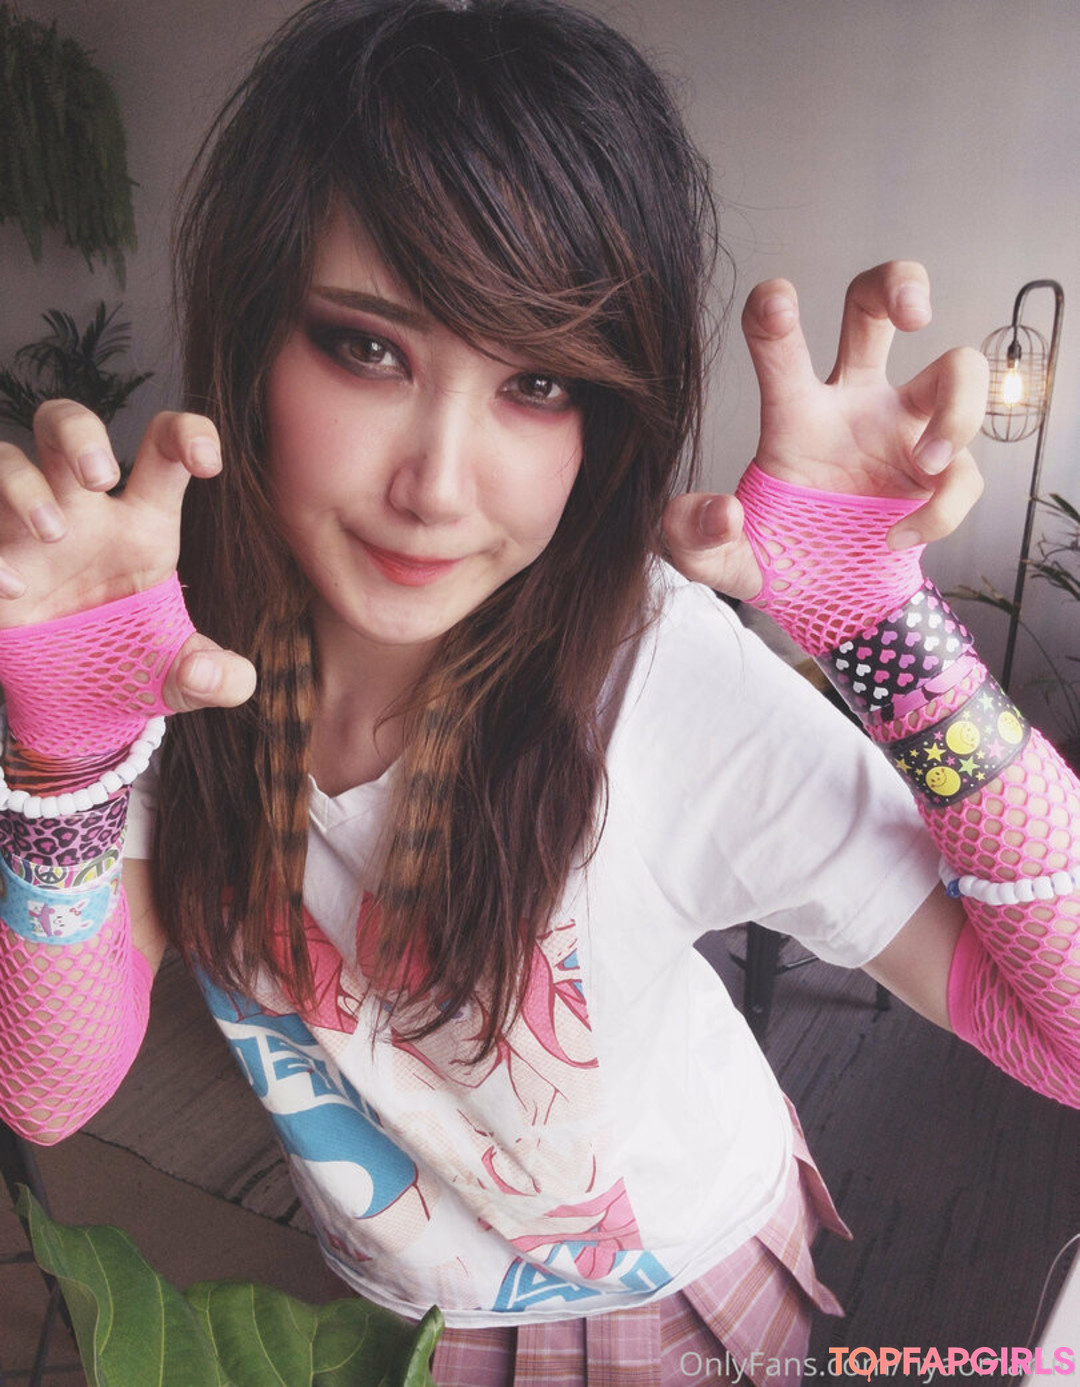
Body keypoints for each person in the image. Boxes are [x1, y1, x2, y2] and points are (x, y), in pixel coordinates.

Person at [0, 1, 1076, 1384]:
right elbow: (50, 1090)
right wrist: (62, 774)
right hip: (389, 1291)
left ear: (606, 415)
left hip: (671, 1286)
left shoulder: (657, 685)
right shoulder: (173, 649)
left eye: (538, 381)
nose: (438, 486)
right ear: (255, 335)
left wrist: (884, 633)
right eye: (368, 348)